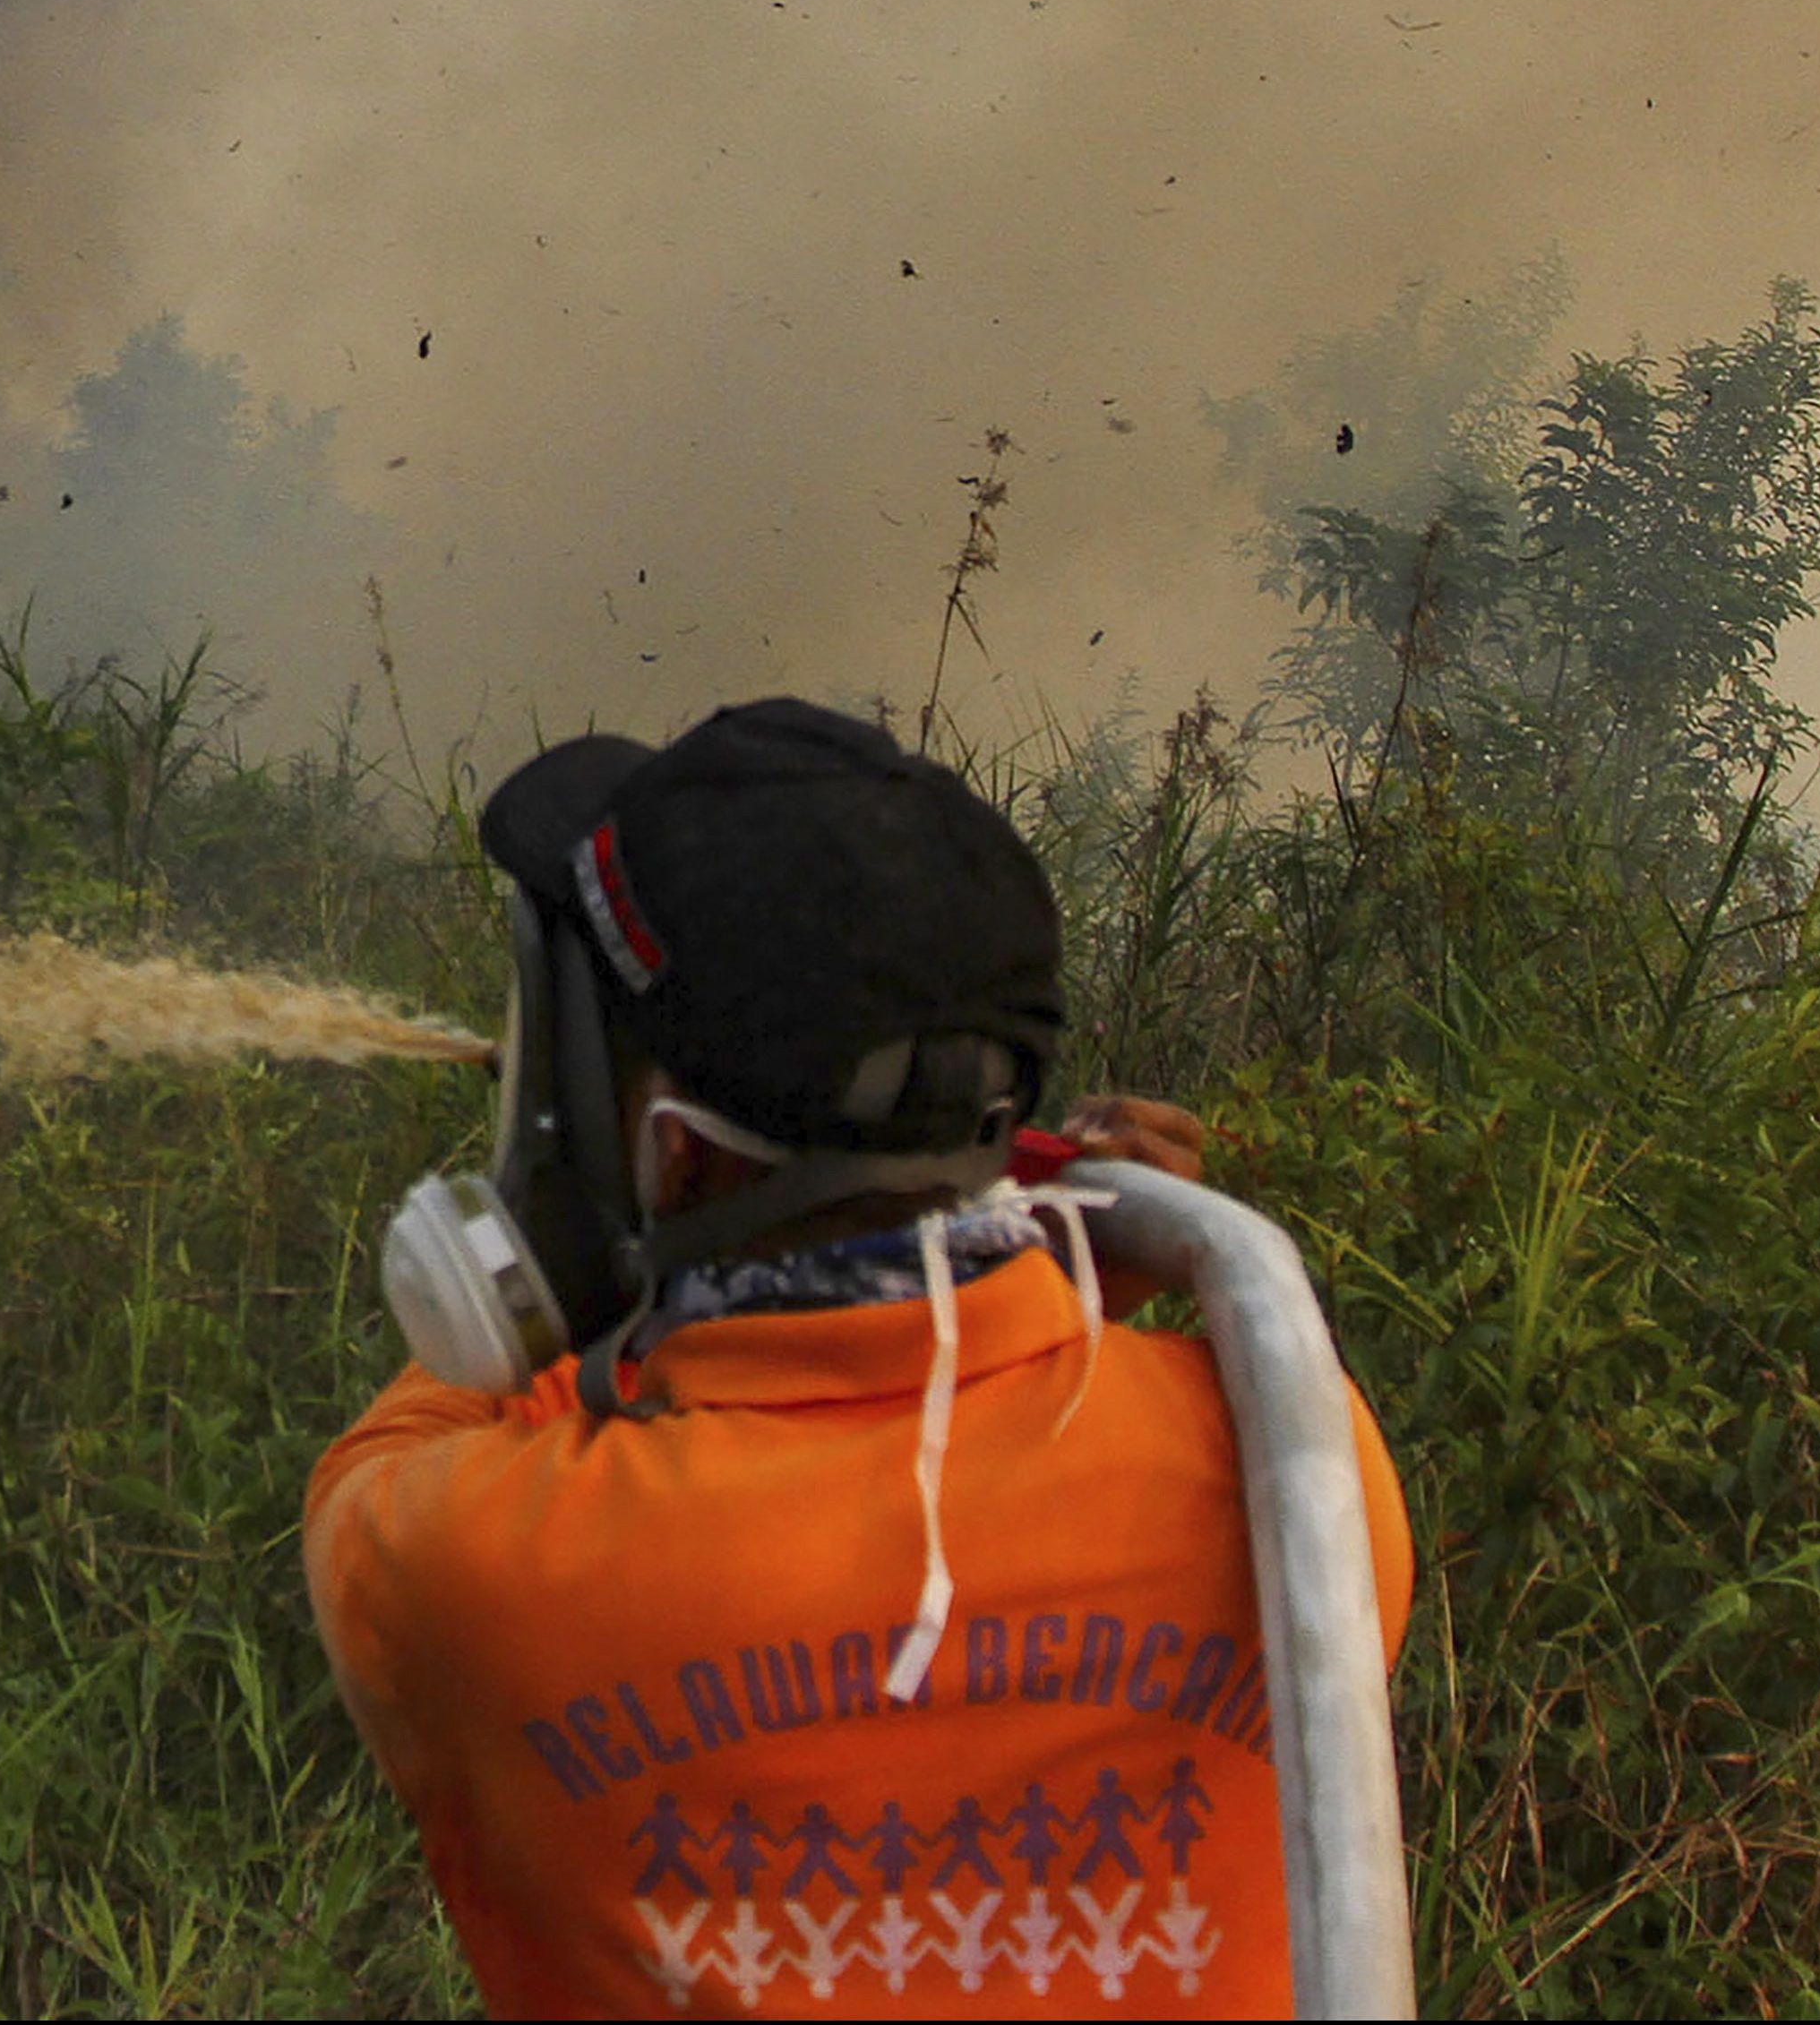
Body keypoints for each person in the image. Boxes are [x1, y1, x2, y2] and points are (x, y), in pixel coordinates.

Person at [305, 698, 1411, 2018]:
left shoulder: (474, 1562)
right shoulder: (1290, 1459)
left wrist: (551, 1258)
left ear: (676, 1154)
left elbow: (427, 1426)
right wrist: (1053, 1280)